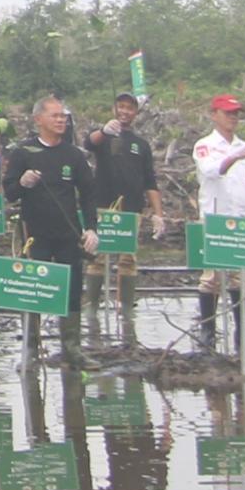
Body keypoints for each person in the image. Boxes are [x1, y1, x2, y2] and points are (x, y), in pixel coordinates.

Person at [1, 96, 101, 368]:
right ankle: (31, 349)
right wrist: (22, 182)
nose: (61, 120)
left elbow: (89, 194)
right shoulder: (24, 152)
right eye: (55, 116)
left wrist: (91, 228)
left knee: (71, 288)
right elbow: (9, 192)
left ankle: (72, 349)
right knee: (35, 289)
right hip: (35, 233)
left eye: (63, 116)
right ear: (39, 120)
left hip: (69, 234)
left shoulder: (73, 155)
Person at [81, 92, 164, 331]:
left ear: (136, 113)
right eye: (121, 107)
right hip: (102, 207)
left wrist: (158, 214)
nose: (125, 112)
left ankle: (126, 310)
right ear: (114, 108)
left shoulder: (141, 144)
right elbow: (89, 143)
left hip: (131, 210)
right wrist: (105, 131)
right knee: (97, 258)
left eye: (130, 108)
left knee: (128, 259)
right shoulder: (103, 136)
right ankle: (92, 308)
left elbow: (150, 181)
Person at [191, 94, 245, 347]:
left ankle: (242, 332)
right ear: (214, 115)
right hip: (215, 218)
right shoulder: (205, 145)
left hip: (242, 219)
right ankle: (208, 330)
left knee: (241, 277)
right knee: (211, 277)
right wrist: (235, 157)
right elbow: (212, 171)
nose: (233, 118)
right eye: (227, 113)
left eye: (236, 114)